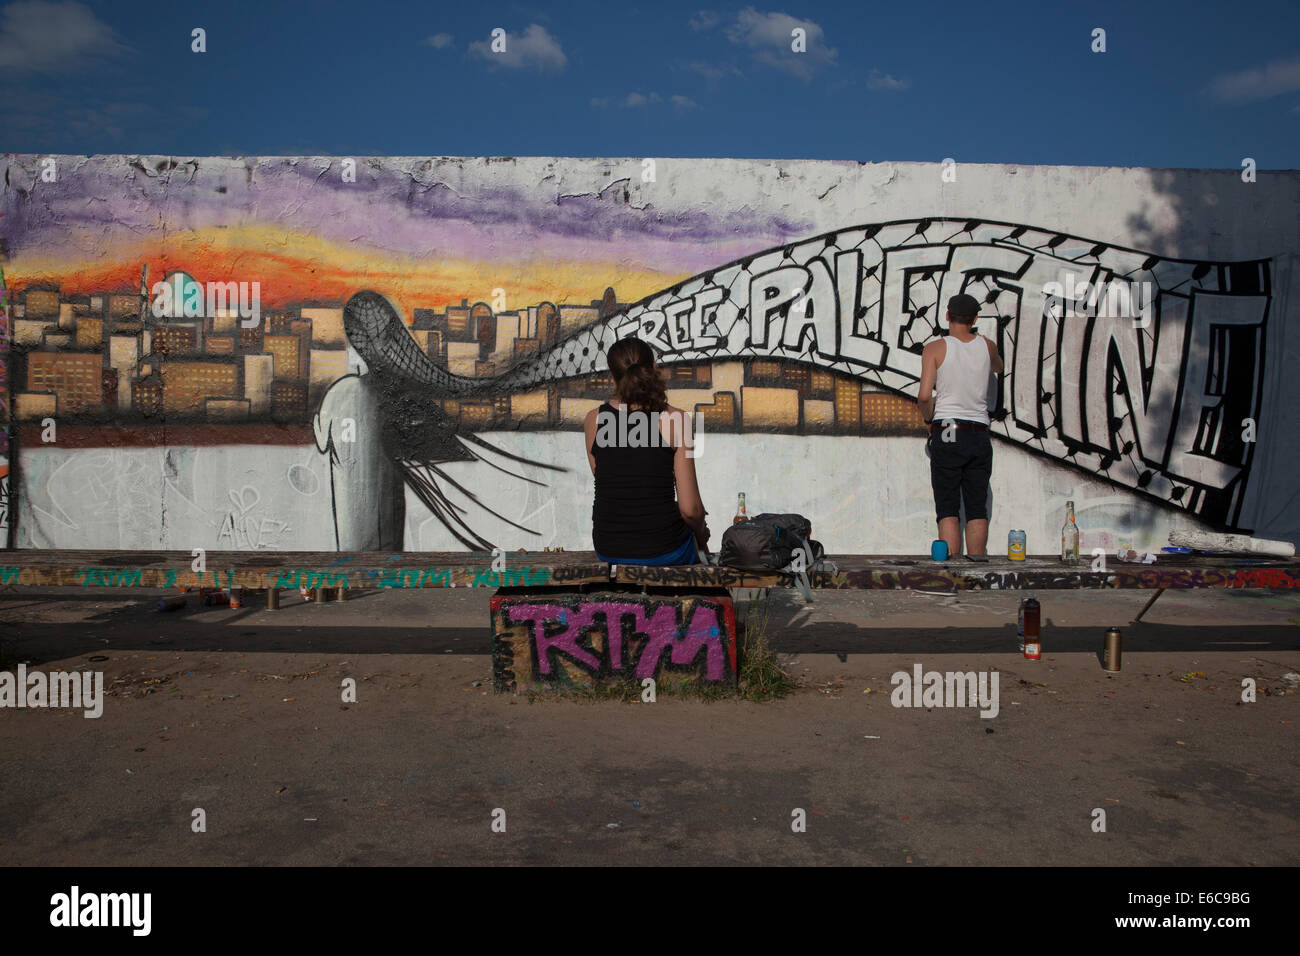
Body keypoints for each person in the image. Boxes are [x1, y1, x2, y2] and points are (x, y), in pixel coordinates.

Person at [583, 337, 710, 565]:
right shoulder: (677, 419)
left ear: (613, 378)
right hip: (664, 549)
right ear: (653, 369)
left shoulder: (594, 419)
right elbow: (691, 510)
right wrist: (701, 535)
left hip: (608, 547)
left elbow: (612, 482)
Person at [917, 293, 1005, 558]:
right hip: (978, 432)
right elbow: (999, 366)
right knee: (977, 508)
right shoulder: (987, 346)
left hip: (947, 429)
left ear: (947, 316)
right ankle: (977, 572)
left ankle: (952, 571)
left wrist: (928, 419)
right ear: (975, 319)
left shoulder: (935, 348)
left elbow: (923, 396)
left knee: (948, 508)